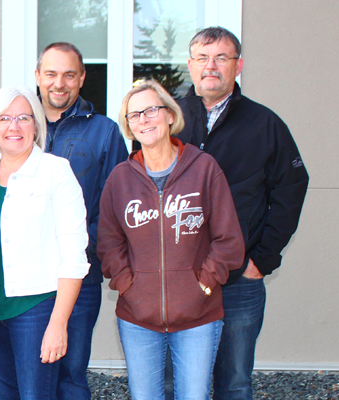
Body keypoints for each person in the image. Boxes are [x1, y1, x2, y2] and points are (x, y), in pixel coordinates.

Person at [174, 27, 309, 400]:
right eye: (202, 58)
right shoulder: (169, 120)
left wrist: (261, 259)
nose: (211, 66)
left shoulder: (265, 124)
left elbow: (291, 188)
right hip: (176, 279)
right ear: (190, 65)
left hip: (239, 279)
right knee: (176, 384)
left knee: (234, 382)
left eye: (221, 58)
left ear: (238, 66)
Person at [98, 79, 245, 399]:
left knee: (194, 395)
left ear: (169, 115)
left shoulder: (203, 169)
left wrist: (203, 284)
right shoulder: (120, 179)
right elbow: (109, 242)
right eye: (134, 116)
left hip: (199, 317)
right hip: (138, 319)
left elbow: (228, 239)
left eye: (151, 110)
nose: (144, 119)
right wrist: (127, 284)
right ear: (129, 127)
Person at [0, 85, 89, 400]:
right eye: (4, 118)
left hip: (36, 311)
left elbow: (74, 254)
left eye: (24, 117)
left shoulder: (56, 172)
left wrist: (58, 323)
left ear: (36, 125)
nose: (14, 126)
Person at [34, 42, 130, 400]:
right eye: (51, 74)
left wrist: (77, 247)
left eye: (69, 75)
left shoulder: (104, 131)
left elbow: (114, 206)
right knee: (27, 372)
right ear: (38, 77)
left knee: (71, 373)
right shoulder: (17, 127)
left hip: (80, 273)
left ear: (82, 78)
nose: (60, 83)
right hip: (24, 274)